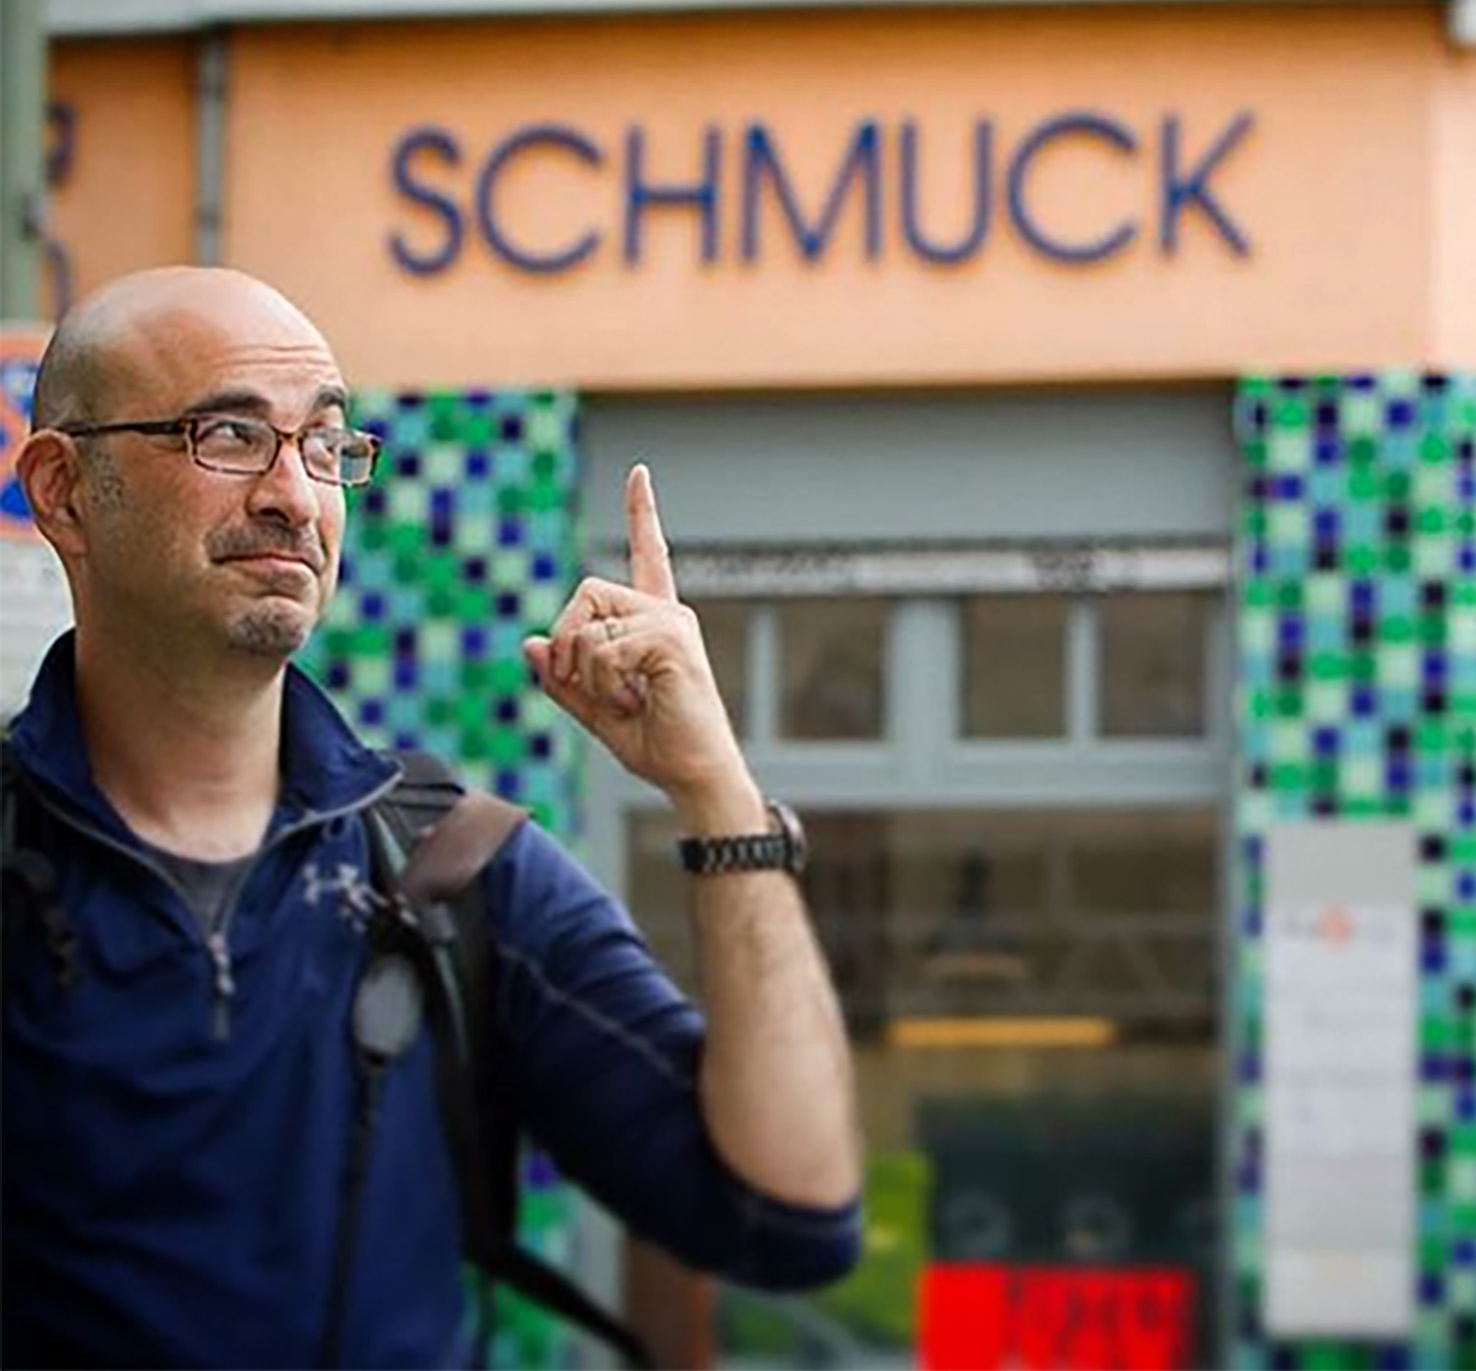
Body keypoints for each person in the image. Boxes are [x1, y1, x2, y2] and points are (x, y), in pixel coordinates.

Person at [0, 266, 862, 1367]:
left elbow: (788, 1216)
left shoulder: (454, 875)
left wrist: (717, 792)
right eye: (229, 436)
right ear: (65, 491)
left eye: (325, 444)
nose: (294, 495)